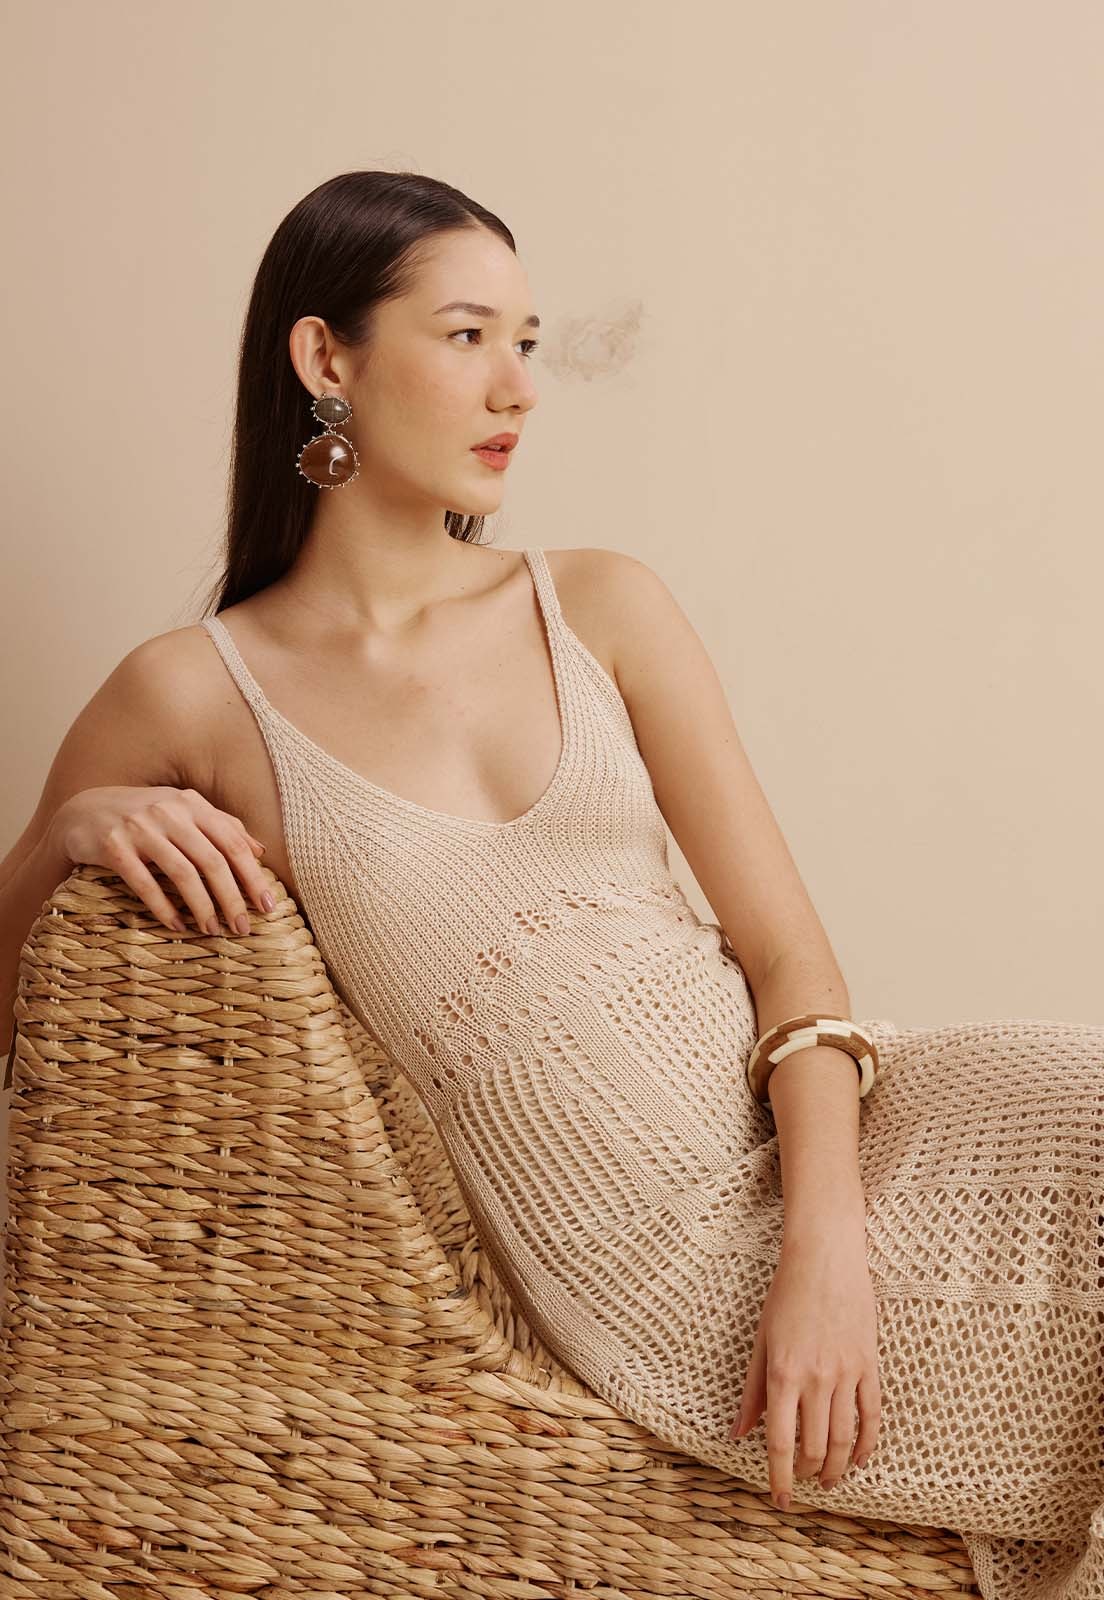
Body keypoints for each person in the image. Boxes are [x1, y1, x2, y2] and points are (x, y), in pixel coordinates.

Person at [2, 170, 1101, 1600]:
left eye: (525, 342)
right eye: (466, 337)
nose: (517, 386)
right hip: (646, 1274)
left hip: (824, 1155)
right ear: (327, 358)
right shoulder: (197, 693)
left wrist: (825, 1249)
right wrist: (68, 830)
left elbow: (791, 966)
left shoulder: (602, 605)